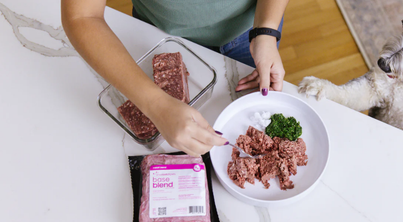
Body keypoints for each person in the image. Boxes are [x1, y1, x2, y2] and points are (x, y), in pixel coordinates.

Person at [61, 0, 289, 157]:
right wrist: (156, 105)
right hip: (159, 32)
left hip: (252, 31)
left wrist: (266, 33)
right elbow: (82, 15)